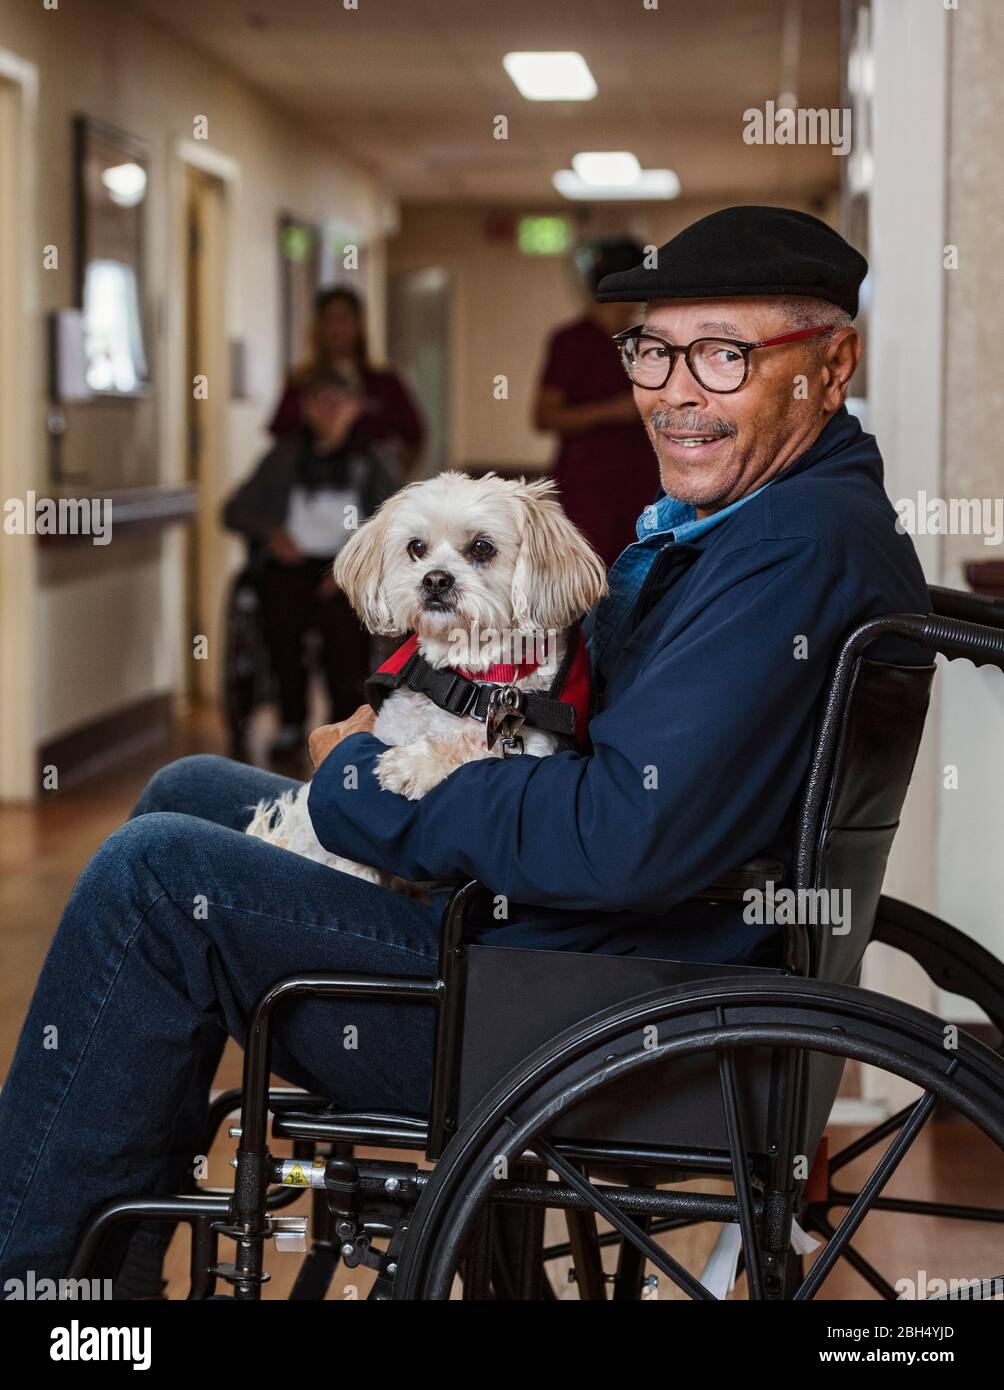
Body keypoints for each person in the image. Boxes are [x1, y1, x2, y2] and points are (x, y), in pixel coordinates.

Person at [0, 206, 930, 1293]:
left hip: (582, 1010)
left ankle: (40, 1282)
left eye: (723, 355)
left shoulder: (786, 548)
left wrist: (357, 787)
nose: (675, 391)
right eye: (652, 351)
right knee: (188, 789)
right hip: (584, 952)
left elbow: (623, 832)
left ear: (830, 364)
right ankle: (96, 1261)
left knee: (151, 877)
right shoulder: (768, 520)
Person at [223, 368, 398, 760]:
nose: (331, 410)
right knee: (282, 620)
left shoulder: (371, 459)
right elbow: (233, 510)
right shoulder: (284, 456)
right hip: (292, 564)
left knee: (346, 630)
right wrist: (272, 533)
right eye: (322, 400)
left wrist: (347, 566)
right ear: (306, 407)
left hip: (346, 569)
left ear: (355, 408)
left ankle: (346, 721)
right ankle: (291, 719)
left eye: (341, 401)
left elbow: (394, 519)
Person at [533, 236, 662, 569]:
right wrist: (614, 410)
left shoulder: (645, 339)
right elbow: (544, 416)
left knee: (641, 569)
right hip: (588, 485)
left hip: (643, 479)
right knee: (587, 576)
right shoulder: (572, 341)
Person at [269, 285, 425, 478]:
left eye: (344, 318)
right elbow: (279, 435)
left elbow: (414, 436)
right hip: (309, 482)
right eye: (329, 319)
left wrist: (392, 479)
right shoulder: (300, 381)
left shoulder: (385, 381)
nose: (337, 328)